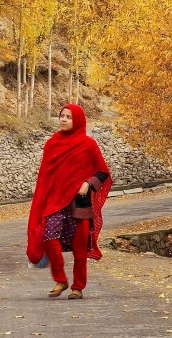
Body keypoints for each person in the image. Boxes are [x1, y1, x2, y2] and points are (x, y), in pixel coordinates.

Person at [26, 103, 112, 300]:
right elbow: (45, 176)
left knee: (80, 248)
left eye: (69, 117)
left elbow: (103, 171)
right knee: (49, 238)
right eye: (62, 116)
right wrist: (41, 196)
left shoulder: (88, 144)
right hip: (55, 202)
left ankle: (78, 287)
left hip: (79, 203)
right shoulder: (52, 144)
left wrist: (88, 183)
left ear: (78, 120)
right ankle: (60, 279)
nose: (63, 119)